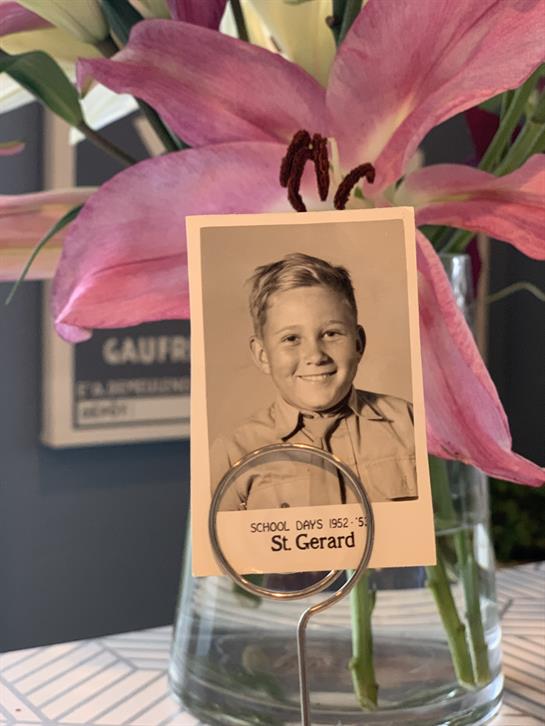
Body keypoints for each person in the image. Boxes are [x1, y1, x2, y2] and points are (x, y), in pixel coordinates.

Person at [211, 253, 417, 511]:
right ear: (263, 355)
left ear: (358, 343)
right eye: (291, 339)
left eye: (331, 334)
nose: (315, 356)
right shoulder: (233, 452)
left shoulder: (410, 424)